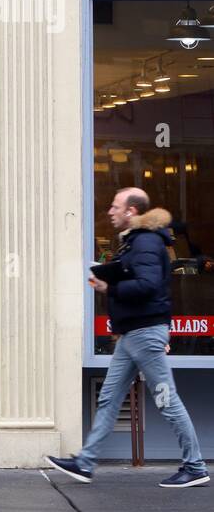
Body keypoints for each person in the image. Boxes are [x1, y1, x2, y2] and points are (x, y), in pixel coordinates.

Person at [47, 188, 209, 488]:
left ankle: (195, 466)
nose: (110, 211)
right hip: (132, 334)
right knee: (109, 398)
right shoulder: (136, 242)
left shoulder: (146, 241)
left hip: (145, 333)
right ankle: (85, 463)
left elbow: (147, 285)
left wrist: (109, 289)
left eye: (115, 206)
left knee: (166, 400)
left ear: (131, 211)